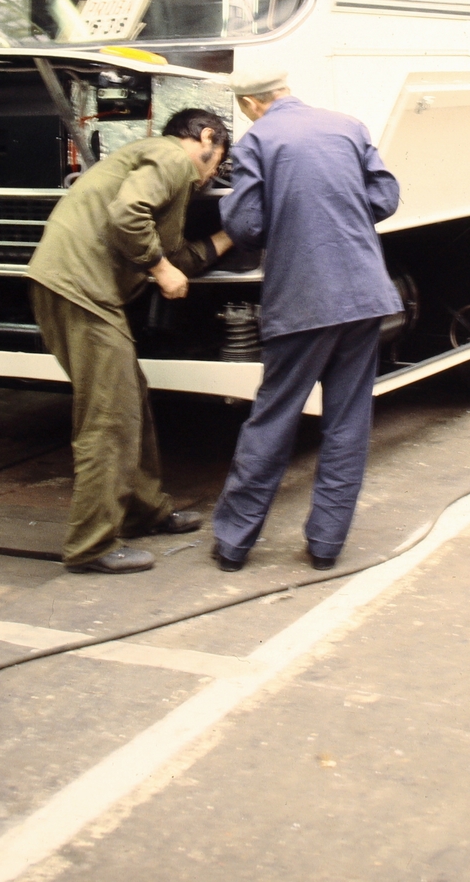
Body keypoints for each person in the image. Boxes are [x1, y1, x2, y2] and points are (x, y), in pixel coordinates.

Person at [26, 108, 233, 574]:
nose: (212, 175)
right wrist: (160, 270)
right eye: (216, 160)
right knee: (109, 416)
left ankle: (144, 511)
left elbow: (172, 254)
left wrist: (227, 238)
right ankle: (91, 545)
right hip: (80, 288)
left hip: (73, 284)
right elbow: (127, 217)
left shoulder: (157, 165)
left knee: (129, 400)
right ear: (205, 138)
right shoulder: (171, 158)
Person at [211, 70, 402, 573]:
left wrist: (291, 222)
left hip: (301, 299)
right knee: (347, 421)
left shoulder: (257, 141)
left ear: (252, 103)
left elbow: (247, 224)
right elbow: (384, 198)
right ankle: (325, 545)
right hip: (363, 294)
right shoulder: (348, 126)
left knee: (273, 417)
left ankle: (233, 543)